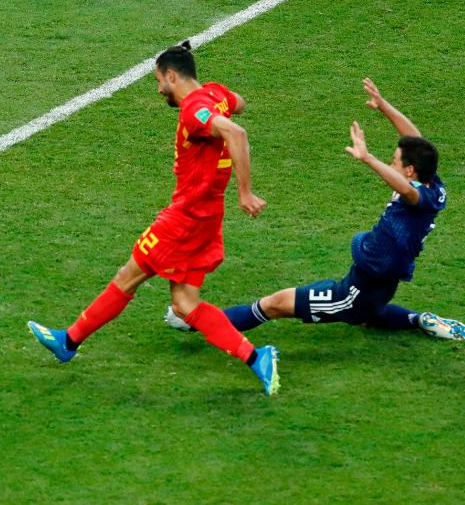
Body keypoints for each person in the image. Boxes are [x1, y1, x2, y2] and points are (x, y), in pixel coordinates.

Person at [27, 41, 281, 395]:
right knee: (185, 304)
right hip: (207, 217)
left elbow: (236, 132)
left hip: (186, 219)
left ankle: (68, 342)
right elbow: (238, 104)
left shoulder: (194, 110)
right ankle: (257, 358)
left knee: (128, 277)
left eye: (159, 80)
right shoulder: (213, 94)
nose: (159, 88)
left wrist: (245, 191)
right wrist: (217, 105)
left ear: (172, 75)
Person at [166, 78, 465, 341]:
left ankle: (191, 321)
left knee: (274, 304)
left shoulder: (416, 195)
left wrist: (368, 159)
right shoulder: (434, 185)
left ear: (410, 171)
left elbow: (404, 189)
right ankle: (418, 320)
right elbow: (416, 141)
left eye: (395, 161)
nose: (392, 163)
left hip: (359, 286)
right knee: (366, 313)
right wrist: (384, 106)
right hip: (379, 280)